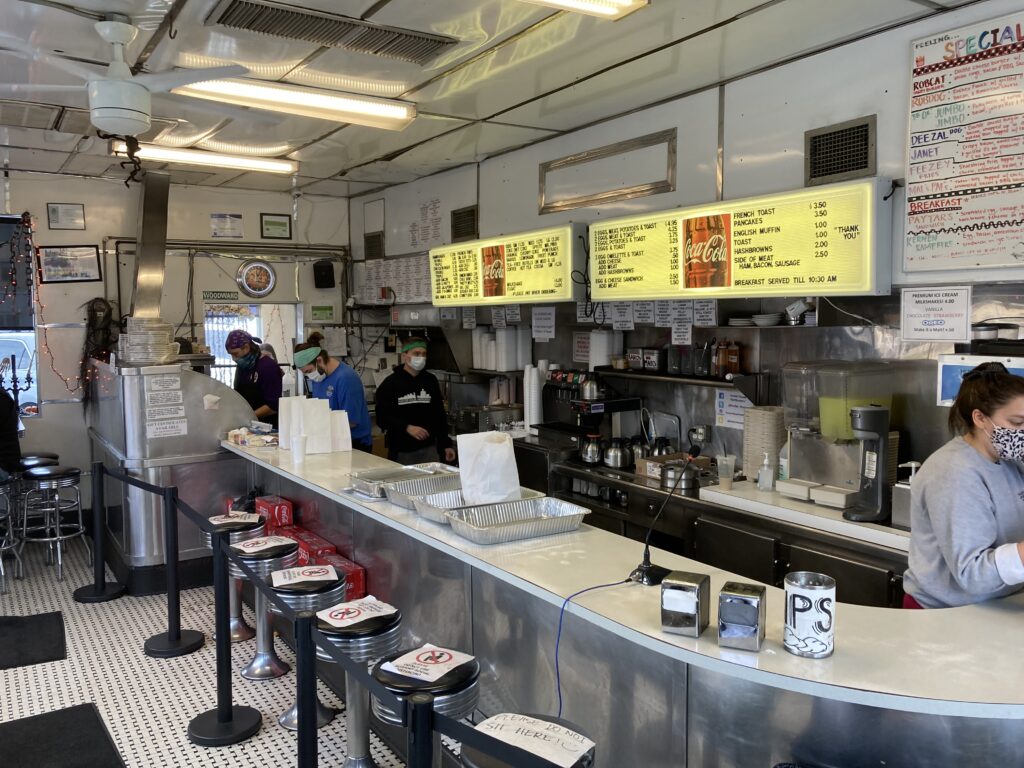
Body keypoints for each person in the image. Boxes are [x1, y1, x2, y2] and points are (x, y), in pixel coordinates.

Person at [903, 362, 1024, 608]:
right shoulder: (954, 472)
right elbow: (973, 574)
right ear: (980, 418)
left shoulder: (1010, 460)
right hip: (944, 615)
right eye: (1017, 423)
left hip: (996, 605)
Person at [375, 337, 455, 464]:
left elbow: (439, 415)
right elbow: (382, 417)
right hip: (401, 450)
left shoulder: (430, 381)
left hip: (429, 449)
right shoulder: (390, 383)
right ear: (405, 355)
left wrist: (445, 445)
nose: (421, 357)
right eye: (416, 354)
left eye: (424, 354)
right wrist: (407, 427)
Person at [293, 343, 372, 452]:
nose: (310, 376)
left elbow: (351, 421)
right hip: (328, 441)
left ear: (319, 360)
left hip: (353, 444)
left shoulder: (346, 378)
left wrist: (319, 429)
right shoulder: (319, 377)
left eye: (308, 371)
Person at [226, 329, 282, 427]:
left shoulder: (268, 367)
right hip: (247, 423)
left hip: (266, 426)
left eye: (235, 354)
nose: (234, 359)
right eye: (231, 355)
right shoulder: (242, 367)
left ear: (246, 347)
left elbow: (273, 405)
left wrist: (247, 416)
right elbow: (238, 393)